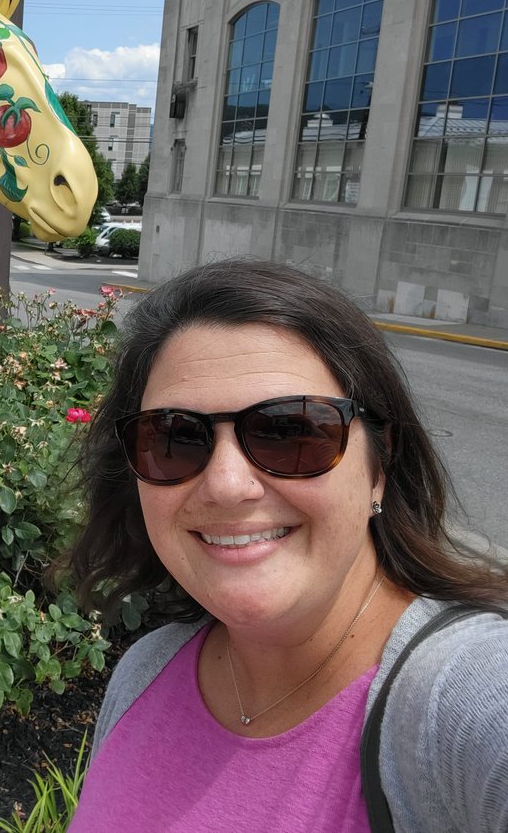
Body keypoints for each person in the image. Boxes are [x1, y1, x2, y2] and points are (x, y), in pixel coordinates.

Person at [63, 259, 508, 832]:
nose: (226, 485)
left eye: (291, 431)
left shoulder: (469, 703)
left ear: (380, 466)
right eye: (174, 436)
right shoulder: (146, 673)